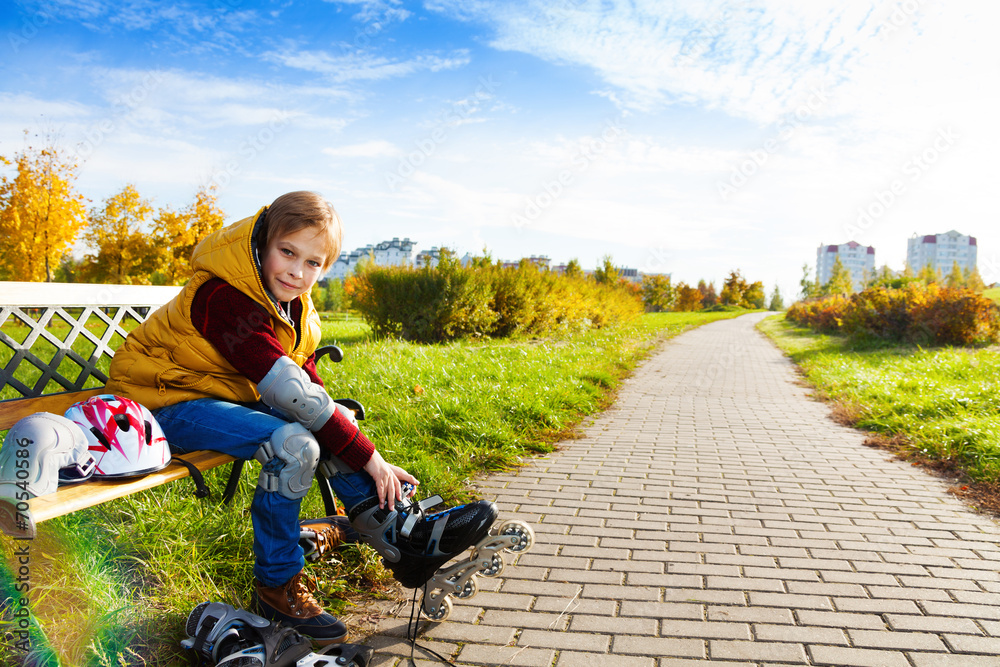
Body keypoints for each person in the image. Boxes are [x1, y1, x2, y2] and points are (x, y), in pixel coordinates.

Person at [104, 191, 497, 644]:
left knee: (323, 422)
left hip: (220, 393)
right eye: (287, 252)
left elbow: (307, 385)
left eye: (314, 263)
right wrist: (368, 457)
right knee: (294, 446)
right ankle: (275, 586)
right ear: (260, 244)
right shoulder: (224, 294)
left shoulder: (291, 302)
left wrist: (373, 457)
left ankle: (401, 534)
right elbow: (290, 392)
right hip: (159, 404)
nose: (297, 271)